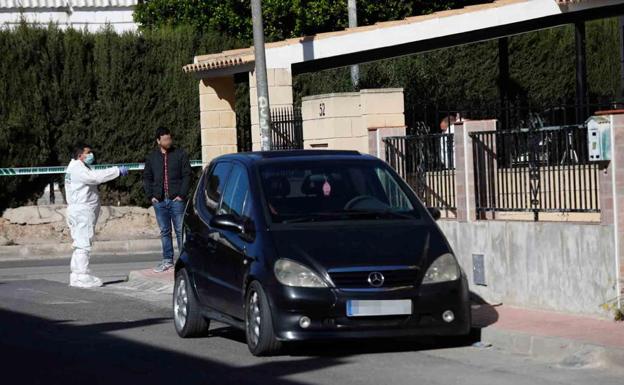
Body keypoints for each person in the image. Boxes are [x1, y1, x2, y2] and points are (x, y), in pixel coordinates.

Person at [65, 144, 129, 288]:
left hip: (78, 210)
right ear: (80, 155)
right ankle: (82, 276)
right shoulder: (78, 169)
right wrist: (116, 170)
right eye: (88, 152)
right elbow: (96, 177)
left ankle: (76, 275)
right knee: (84, 243)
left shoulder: (75, 167)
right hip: (82, 211)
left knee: (79, 243)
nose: (91, 155)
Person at [143, 128, 192, 273]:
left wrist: (182, 195)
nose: (168, 142)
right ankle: (167, 260)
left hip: (177, 200)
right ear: (158, 141)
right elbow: (147, 177)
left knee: (180, 230)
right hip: (159, 201)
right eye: (164, 140)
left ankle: (184, 260)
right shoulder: (152, 158)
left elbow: (187, 175)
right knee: (165, 231)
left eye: (169, 139)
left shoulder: (180, 154)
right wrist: (151, 196)